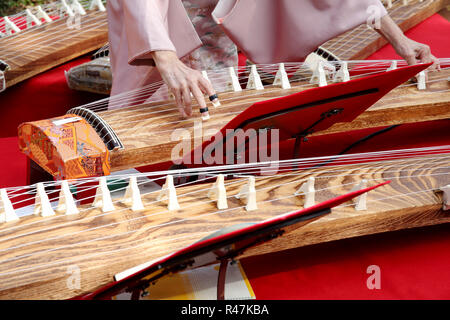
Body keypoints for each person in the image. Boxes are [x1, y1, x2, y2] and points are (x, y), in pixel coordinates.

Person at [106, 0, 439, 117]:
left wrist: (400, 40)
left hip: (216, 33)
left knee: (211, 116)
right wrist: (165, 59)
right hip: (160, 30)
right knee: (153, 117)